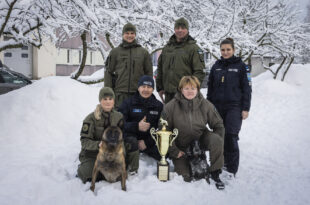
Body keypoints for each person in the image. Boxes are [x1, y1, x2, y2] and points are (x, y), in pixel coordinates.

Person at [162, 76, 225, 190]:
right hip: (180, 145)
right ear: (181, 89)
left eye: (193, 88)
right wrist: (174, 151)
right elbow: (163, 131)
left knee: (216, 140)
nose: (190, 91)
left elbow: (218, 125)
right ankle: (184, 162)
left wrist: (217, 144)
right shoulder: (170, 107)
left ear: (198, 89)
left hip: (200, 140)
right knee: (185, 177)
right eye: (186, 88)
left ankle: (215, 171)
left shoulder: (205, 104)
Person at [207, 38, 252, 176]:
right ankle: (218, 164)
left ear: (234, 50)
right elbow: (210, 88)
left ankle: (231, 169)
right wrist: (208, 107)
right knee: (218, 136)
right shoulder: (216, 66)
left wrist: (246, 108)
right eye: (223, 50)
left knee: (231, 136)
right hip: (217, 107)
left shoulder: (241, 67)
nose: (225, 52)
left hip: (234, 107)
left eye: (228, 49)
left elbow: (247, 89)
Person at [77, 87, 139, 183]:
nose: (108, 102)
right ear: (100, 100)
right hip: (95, 154)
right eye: (105, 99)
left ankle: (127, 167)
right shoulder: (91, 118)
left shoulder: (119, 116)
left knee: (117, 177)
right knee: (89, 175)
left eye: (110, 99)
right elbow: (84, 141)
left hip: (114, 154)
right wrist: (98, 144)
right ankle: (85, 167)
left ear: (114, 101)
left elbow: (124, 136)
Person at [156, 17, 205, 104]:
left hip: (185, 96)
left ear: (187, 30)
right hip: (168, 95)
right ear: (174, 29)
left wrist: (190, 90)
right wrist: (160, 87)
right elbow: (160, 68)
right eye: (177, 28)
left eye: (183, 28)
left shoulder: (194, 48)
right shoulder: (167, 48)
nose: (180, 30)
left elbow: (199, 72)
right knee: (168, 118)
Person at [104, 23, 153, 109]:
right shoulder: (115, 52)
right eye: (127, 33)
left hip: (138, 94)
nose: (129, 35)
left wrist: (147, 91)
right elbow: (108, 72)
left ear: (135, 34)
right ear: (123, 34)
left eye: (132, 33)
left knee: (137, 120)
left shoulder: (143, 52)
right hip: (119, 95)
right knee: (119, 120)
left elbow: (148, 73)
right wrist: (108, 93)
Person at [119, 75, 162, 163]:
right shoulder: (127, 103)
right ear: (138, 88)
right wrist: (136, 126)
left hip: (149, 142)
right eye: (143, 86)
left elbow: (162, 129)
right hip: (131, 140)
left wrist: (147, 142)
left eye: (149, 87)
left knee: (165, 153)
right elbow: (119, 124)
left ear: (153, 89)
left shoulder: (159, 106)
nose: (146, 90)